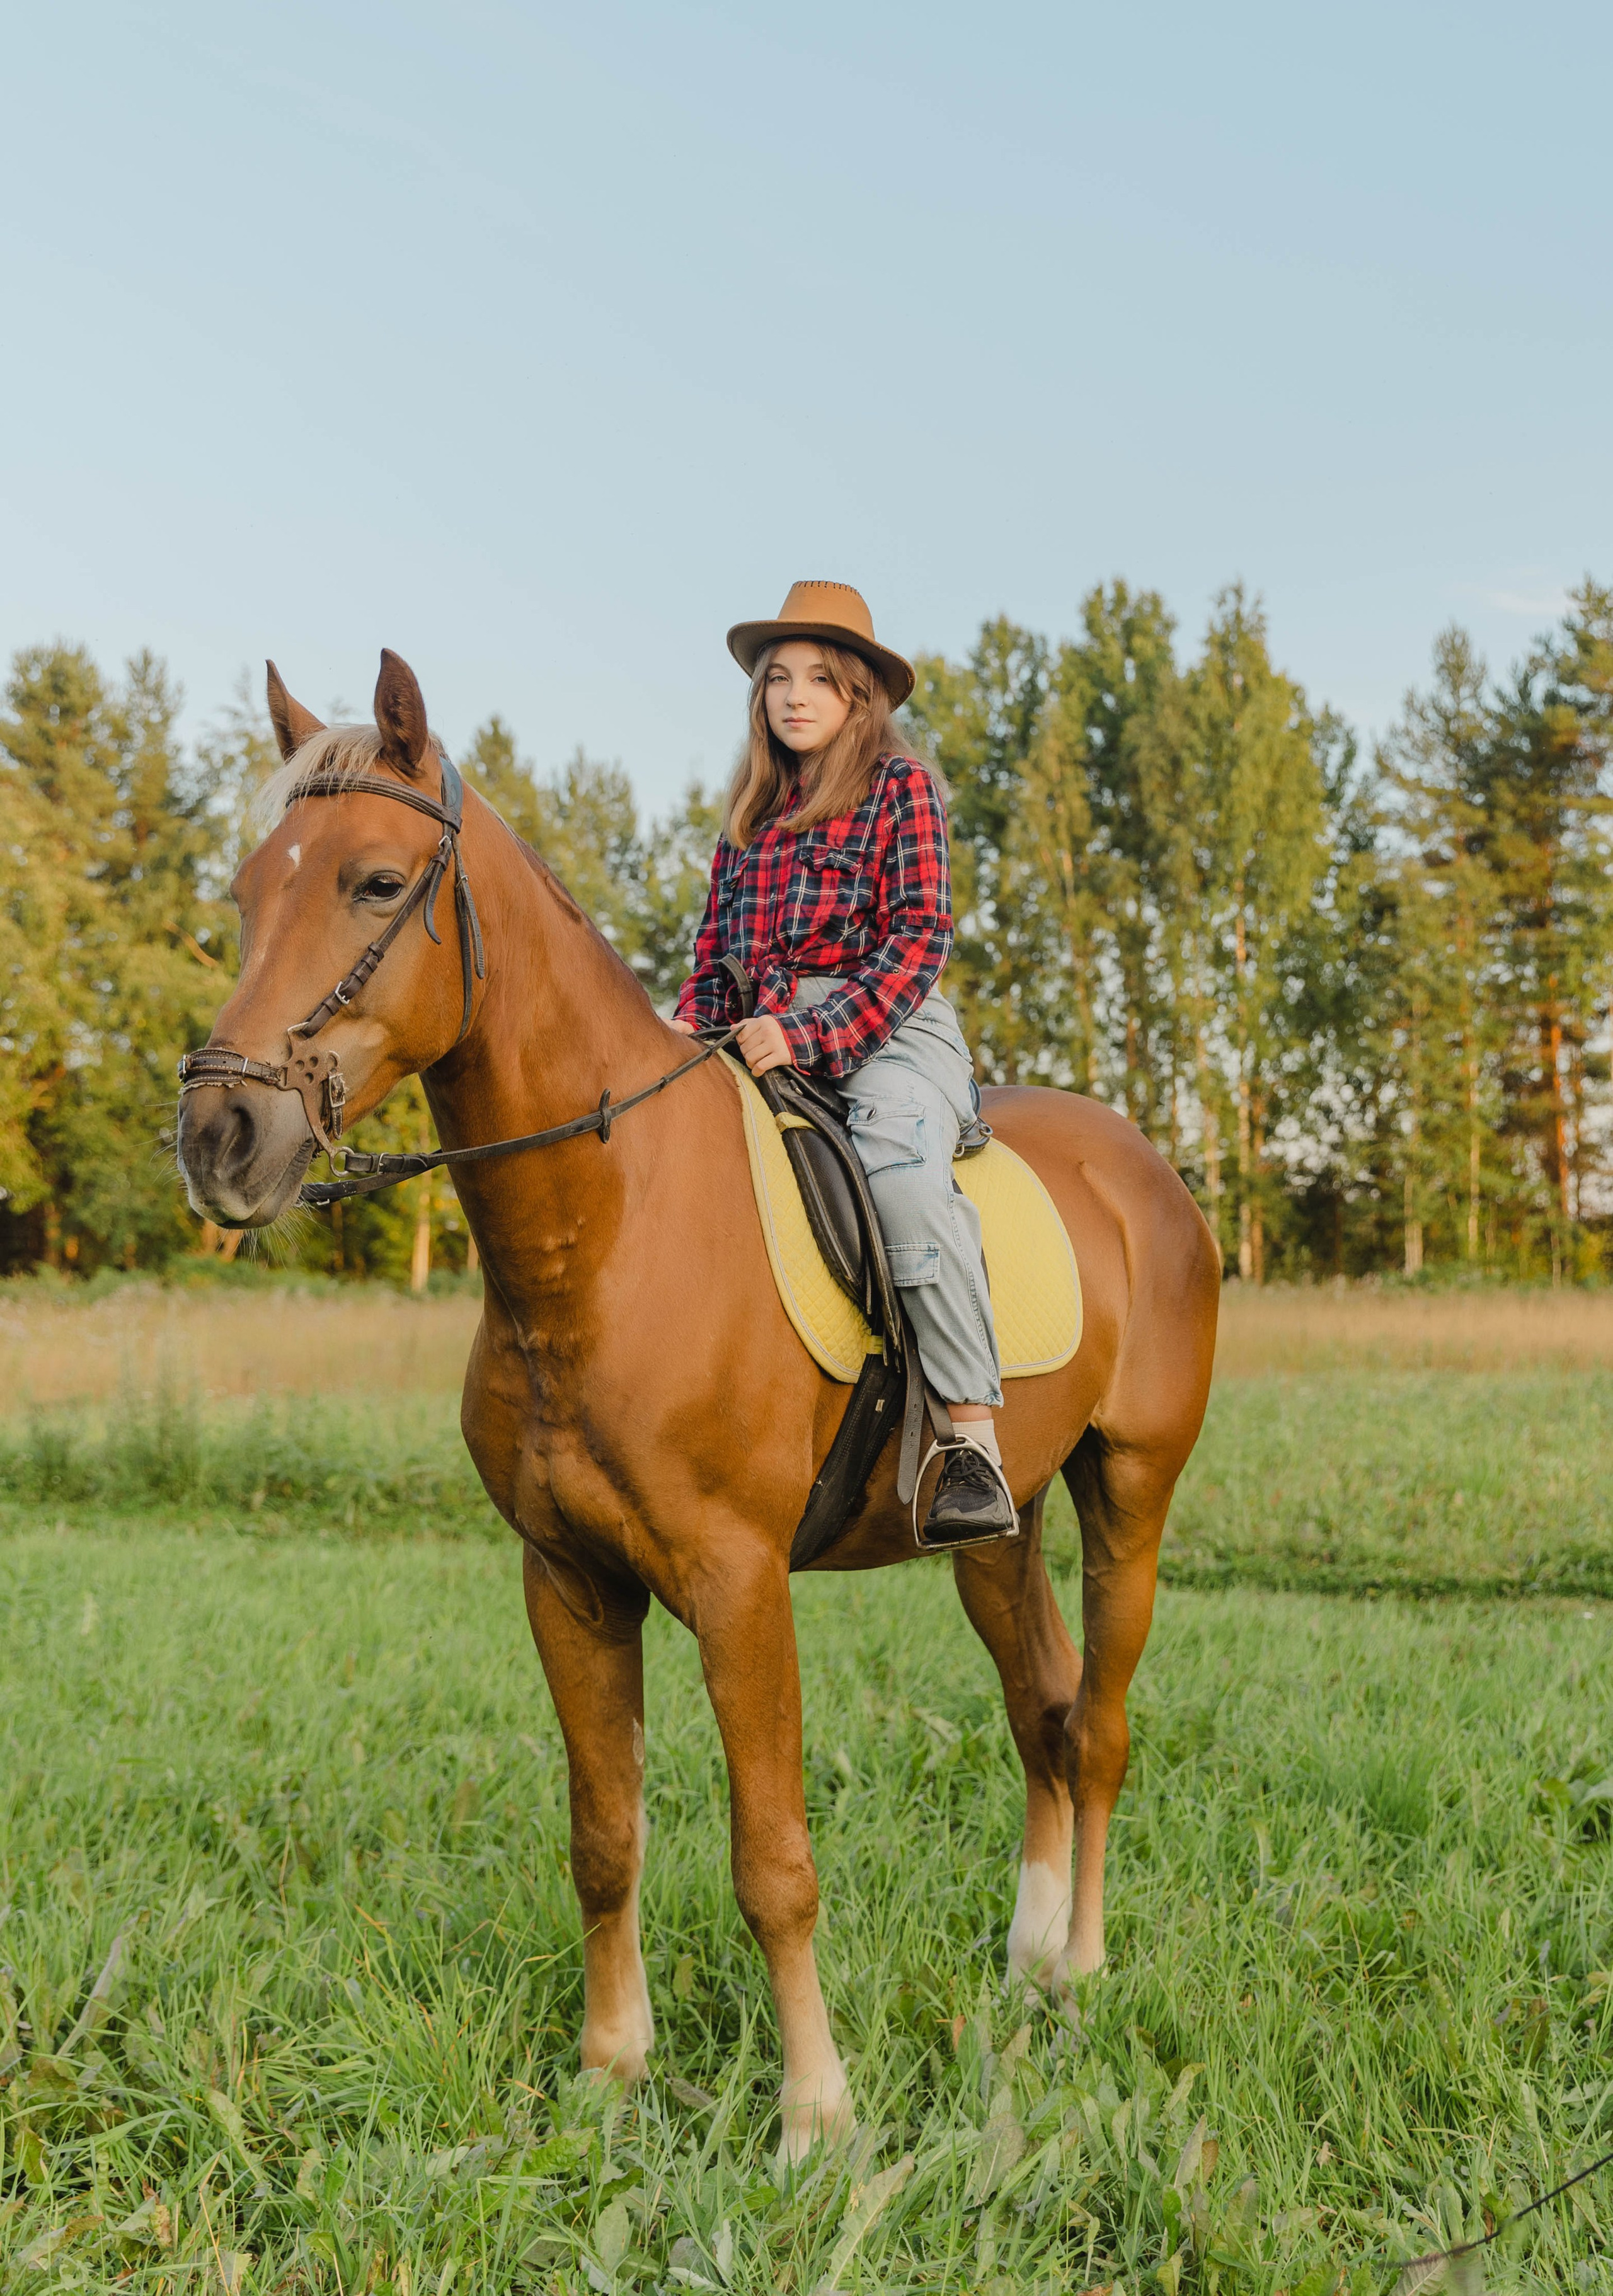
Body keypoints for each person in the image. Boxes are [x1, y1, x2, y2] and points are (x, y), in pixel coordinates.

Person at [670, 580, 1016, 1543]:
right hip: (757, 1039)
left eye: (818, 678)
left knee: (902, 1178)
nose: (793, 695)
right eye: (777, 677)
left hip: (888, 1032)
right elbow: (711, 963)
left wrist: (814, 1035)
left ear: (858, 695)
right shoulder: (745, 822)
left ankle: (969, 1441)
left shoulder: (897, 790)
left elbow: (918, 938)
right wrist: (686, 1050)